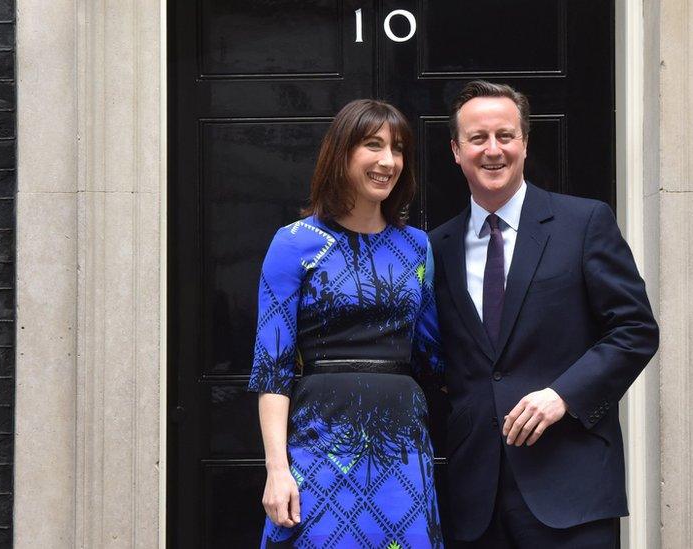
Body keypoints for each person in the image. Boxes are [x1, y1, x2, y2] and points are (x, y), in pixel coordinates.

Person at [430, 80, 659, 547]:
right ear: (456, 150)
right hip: (474, 499)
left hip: (570, 489)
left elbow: (635, 330)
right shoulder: (437, 247)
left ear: (525, 143)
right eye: (478, 138)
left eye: (505, 136)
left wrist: (562, 395)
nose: (493, 150)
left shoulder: (584, 222)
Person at [248, 99, 445, 548]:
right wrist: (277, 470)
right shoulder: (294, 243)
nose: (388, 160)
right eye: (372, 145)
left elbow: (435, 354)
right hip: (320, 441)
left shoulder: (418, 247)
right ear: (342, 153)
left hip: (403, 444)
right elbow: (271, 367)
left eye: (397, 149)